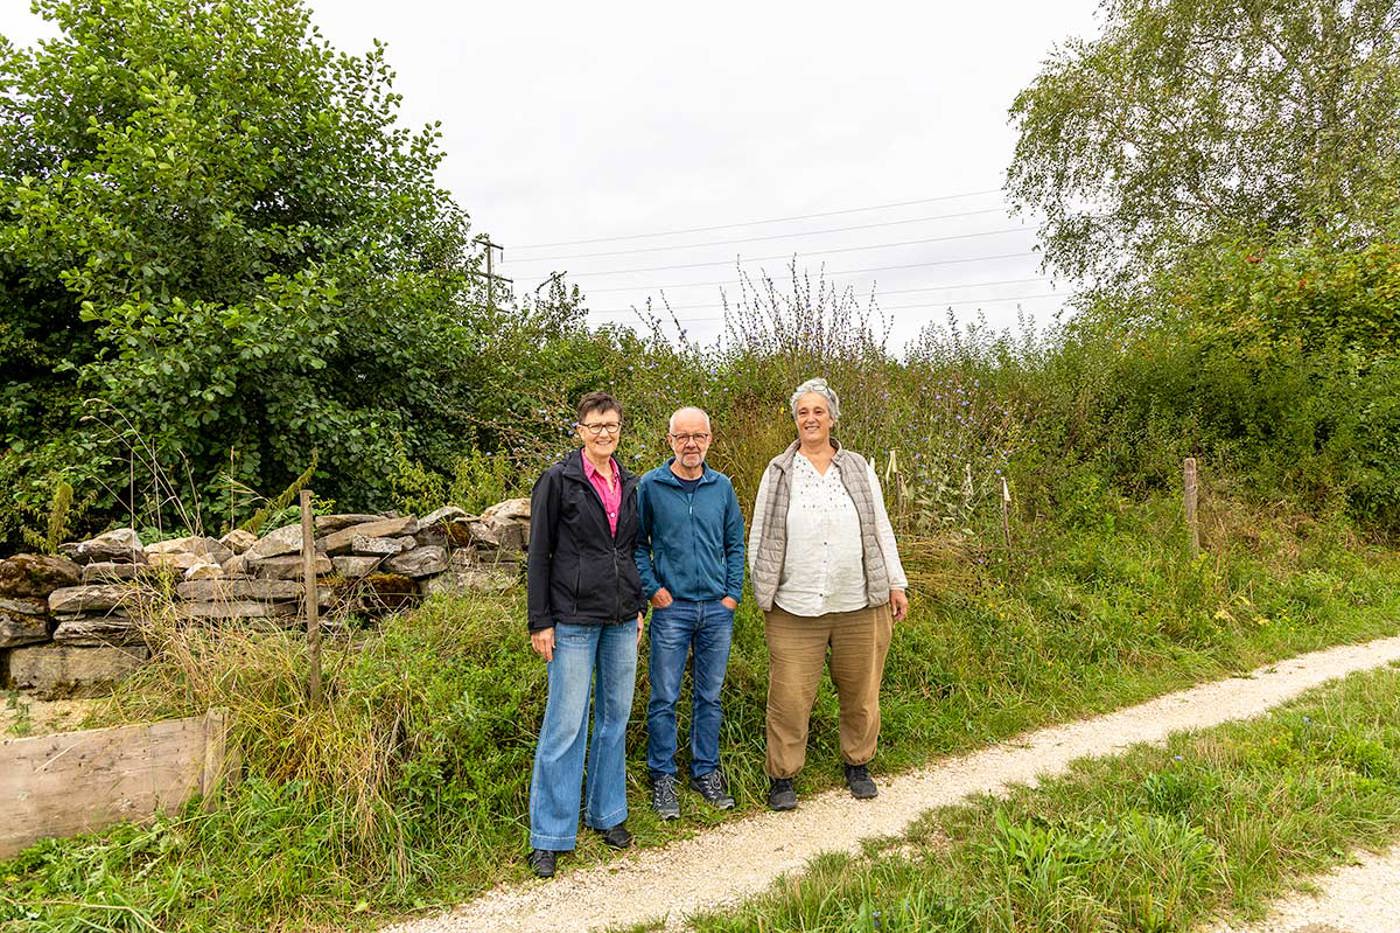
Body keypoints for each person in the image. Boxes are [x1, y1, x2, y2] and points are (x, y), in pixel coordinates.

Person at [748, 377, 909, 811]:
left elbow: (880, 526)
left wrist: (895, 583)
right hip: (794, 605)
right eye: (803, 412)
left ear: (832, 418)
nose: (811, 419)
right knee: (789, 697)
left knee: (861, 692)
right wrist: (764, 589)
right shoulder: (778, 471)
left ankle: (858, 764)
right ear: (795, 420)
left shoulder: (857, 467)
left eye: (818, 411)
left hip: (859, 601)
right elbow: (759, 536)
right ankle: (783, 776)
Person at [525, 391, 646, 879]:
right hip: (572, 620)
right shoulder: (559, 480)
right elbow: (539, 554)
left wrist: (637, 605)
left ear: (619, 429)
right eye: (595, 426)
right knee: (566, 725)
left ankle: (607, 814)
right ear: (580, 431)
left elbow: (632, 549)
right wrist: (540, 620)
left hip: (621, 619)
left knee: (615, 718)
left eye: (611, 425)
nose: (604, 433)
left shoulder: (629, 482)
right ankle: (550, 835)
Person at [634, 406, 746, 819]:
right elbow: (636, 545)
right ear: (670, 441)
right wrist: (654, 590)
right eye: (682, 437)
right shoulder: (651, 486)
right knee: (664, 697)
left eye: (698, 436)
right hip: (673, 610)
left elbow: (735, 544)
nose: (691, 444)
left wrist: (732, 594)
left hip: (716, 610)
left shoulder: (722, 487)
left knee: (709, 697)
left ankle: (705, 772)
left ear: (710, 440)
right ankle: (663, 778)